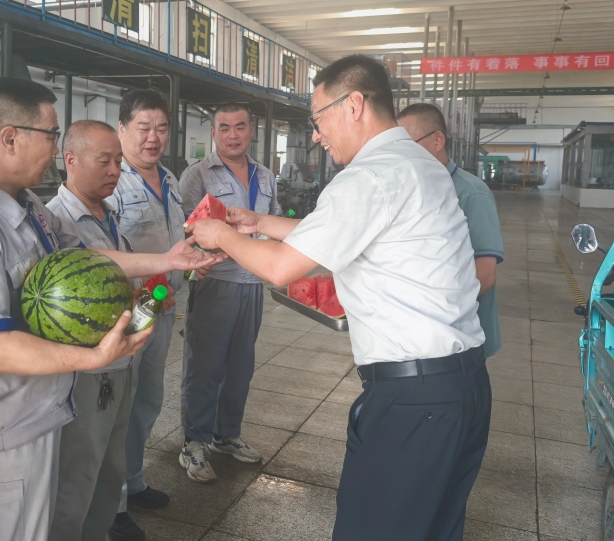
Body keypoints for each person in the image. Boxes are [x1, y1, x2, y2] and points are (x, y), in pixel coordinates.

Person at [188, 55, 491, 541]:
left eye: (318, 118)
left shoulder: (367, 176)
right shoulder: (416, 162)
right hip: (462, 386)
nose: (315, 135)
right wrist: (257, 223)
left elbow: (281, 267)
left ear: (354, 105)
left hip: (415, 400)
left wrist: (218, 235)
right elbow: (342, 232)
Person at [0, 78, 218, 541]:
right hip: (0, 429)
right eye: (51, 134)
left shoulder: (27, 206)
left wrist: (168, 260)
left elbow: (89, 259)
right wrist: (95, 358)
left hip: (40, 409)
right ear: (10, 137)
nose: (57, 148)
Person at [177, 103, 281, 482]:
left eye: (240, 126)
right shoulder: (197, 175)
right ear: (214, 133)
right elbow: (186, 228)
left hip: (254, 281)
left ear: (251, 129)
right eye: (224, 128)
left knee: (240, 366)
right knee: (204, 364)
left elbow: (274, 221)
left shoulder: (266, 176)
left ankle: (226, 435)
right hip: (215, 283)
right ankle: (193, 442)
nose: (233, 134)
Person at [47, 121, 141, 541]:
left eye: (119, 161)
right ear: (71, 160)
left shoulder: (109, 213)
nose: (115, 170)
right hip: (87, 373)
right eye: (104, 160)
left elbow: (115, 287)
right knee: (80, 472)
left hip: (121, 361)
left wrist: (146, 298)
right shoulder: (54, 220)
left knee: (110, 467)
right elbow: (84, 283)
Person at [106, 89, 187, 541]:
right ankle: (113, 503)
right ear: (122, 129)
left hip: (163, 301)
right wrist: (145, 289)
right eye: (143, 128)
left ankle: (133, 481)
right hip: (132, 306)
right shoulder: (113, 181)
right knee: (121, 399)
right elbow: (107, 251)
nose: (152, 138)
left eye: (160, 128)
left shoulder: (170, 179)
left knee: (148, 397)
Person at [397, 103, 504, 358]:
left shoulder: (471, 194)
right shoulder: (413, 188)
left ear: (437, 140)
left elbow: (485, 274)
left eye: (409, 145)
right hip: (422, 334)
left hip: (460, 339)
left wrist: (432, 312)